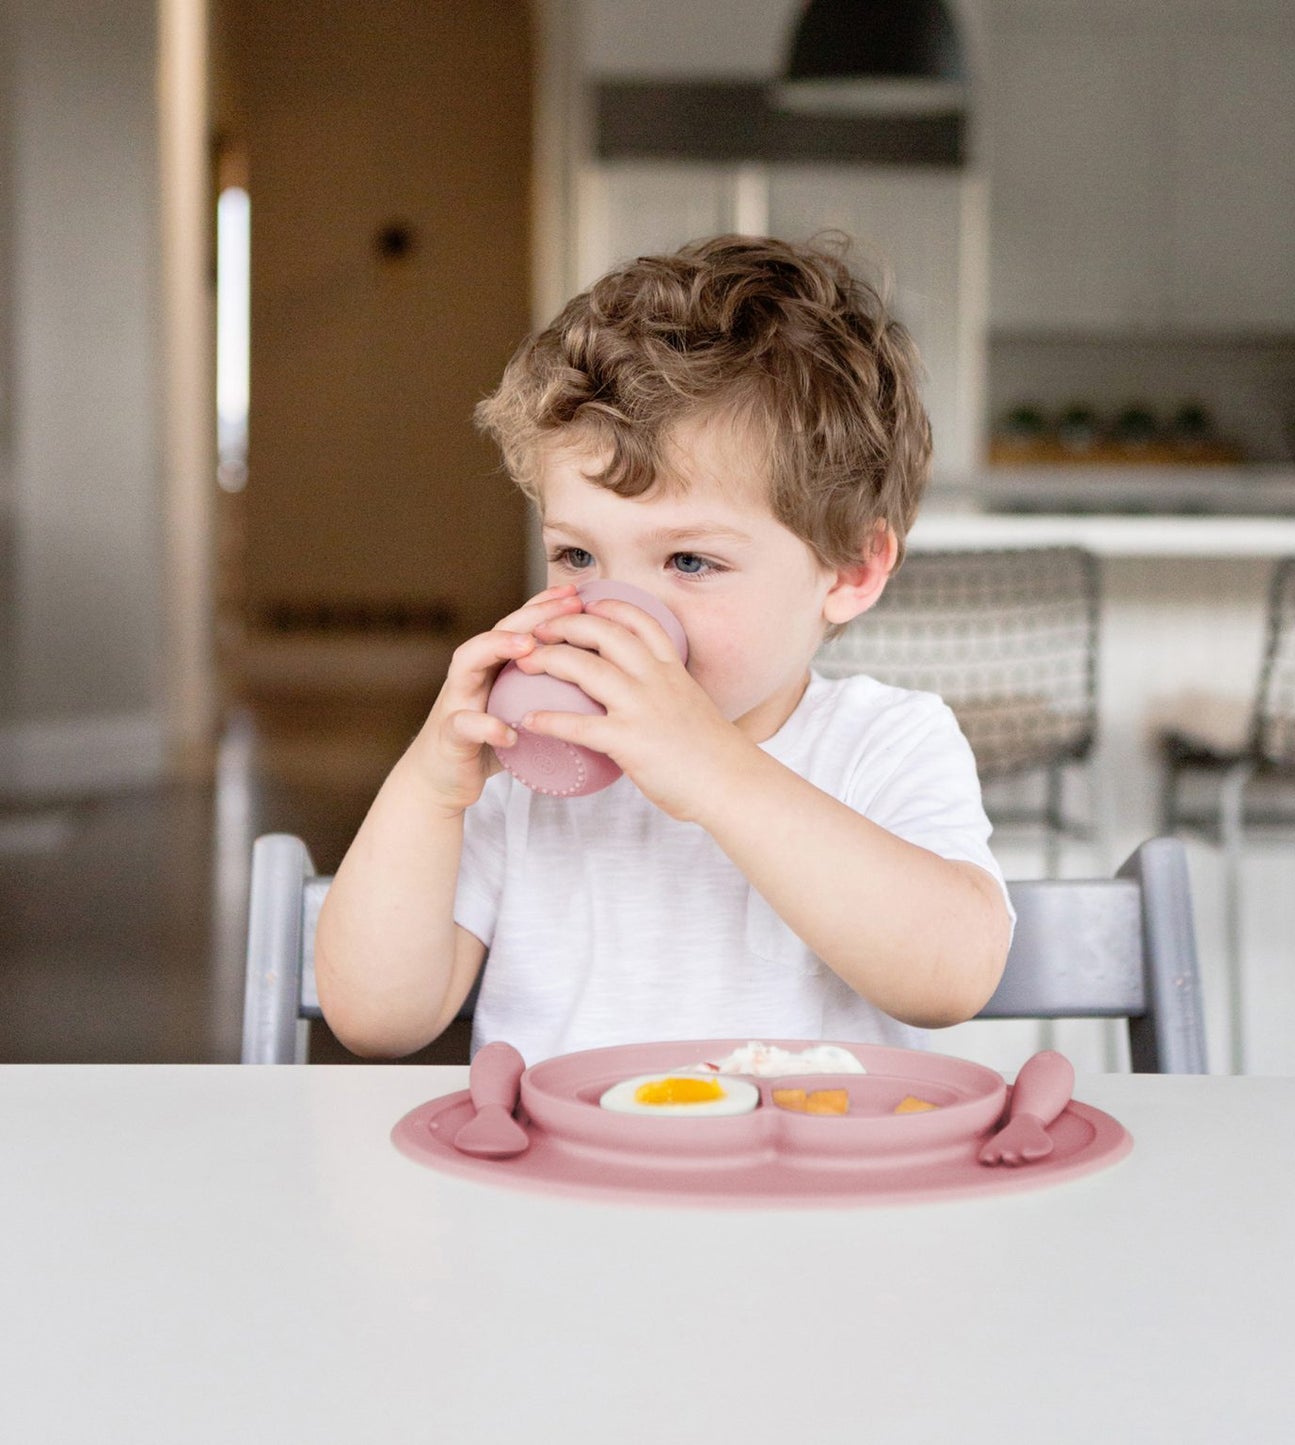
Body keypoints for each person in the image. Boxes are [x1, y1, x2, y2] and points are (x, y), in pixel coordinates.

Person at [315, 234, 1013, 1064]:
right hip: (563, 1186)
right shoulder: (529, 773)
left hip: (808, 1184)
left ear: (851, 570)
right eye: (578, 556)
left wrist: (711, 769)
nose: (620, 611)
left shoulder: (883, 740)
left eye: (689, 561)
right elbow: (374, 1017)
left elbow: (949, 977)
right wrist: (432, 785)